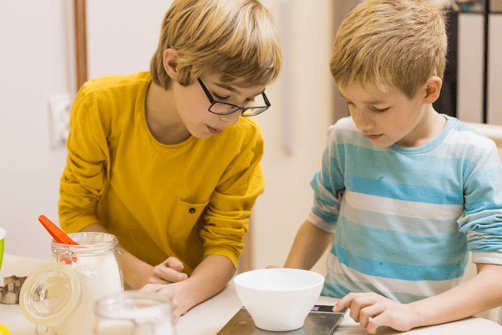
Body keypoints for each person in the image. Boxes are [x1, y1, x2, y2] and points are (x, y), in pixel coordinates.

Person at [279, 0, 502, 333]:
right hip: (341, 318)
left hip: (423, 324)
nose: (361, 120)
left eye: (378, 107)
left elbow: (496, 279)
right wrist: (286, 284)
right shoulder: (344, 139)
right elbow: (320, 220)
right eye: (350, 101)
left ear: (429, 90)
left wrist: (410, 315)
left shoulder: (473, 156)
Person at [58, 0, 281, 322]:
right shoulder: (101, 104)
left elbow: (225, 246)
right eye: (223, 96)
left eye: (248, 101)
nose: (233, 118)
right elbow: (77, 213)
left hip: (188, 299)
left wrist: (180, 295)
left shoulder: (242, 138)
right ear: (174, 64)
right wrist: (141, 276)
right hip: (104, 293)